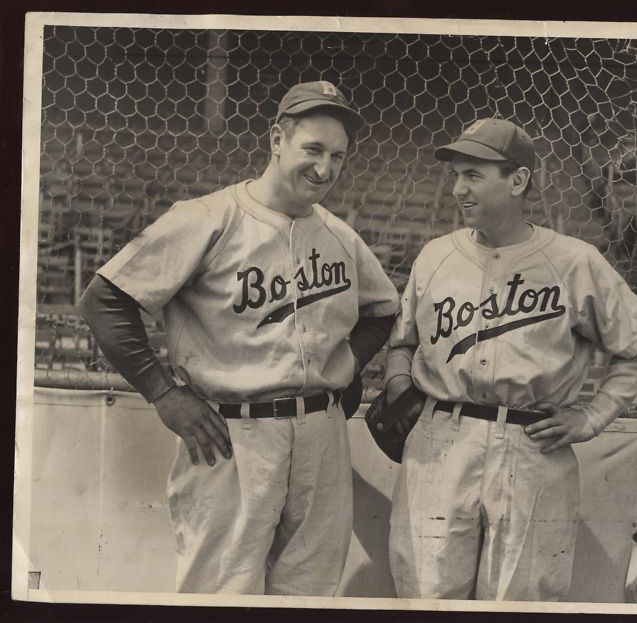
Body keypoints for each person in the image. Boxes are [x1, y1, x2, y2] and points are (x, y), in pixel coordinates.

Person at [78, 81, 400, 595]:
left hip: (322, 438)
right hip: (232, 437)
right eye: (312, 149)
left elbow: (383, 310)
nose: (325, 168)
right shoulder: (208, 218)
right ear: (277, 139)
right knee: (219, 593)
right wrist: (163, 393)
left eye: (338, 155)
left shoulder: (342, 236)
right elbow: (104, 300)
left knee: (310, 594)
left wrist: (349, 363)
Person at [383, 118, 637, 601]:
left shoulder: (574, 261)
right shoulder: (434, 256)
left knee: (522, 598)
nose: (457, 189)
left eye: (472, 175)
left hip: (531, 444)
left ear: (517, 181)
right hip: (441, 440)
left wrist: (593, 416)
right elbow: (402, 341)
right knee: (424, 592)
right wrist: (396, 383)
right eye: (456, 175)